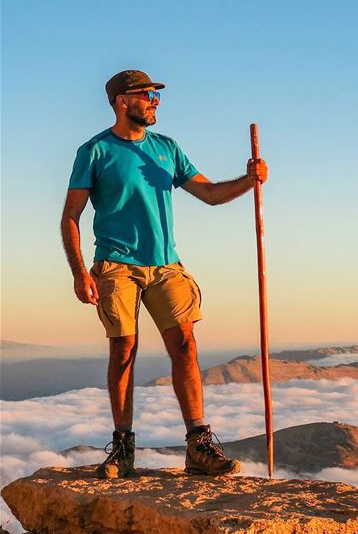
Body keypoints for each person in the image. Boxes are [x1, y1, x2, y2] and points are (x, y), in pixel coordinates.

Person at [61, 70, 268, 479]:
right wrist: (79, 272)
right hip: (116, 264)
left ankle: (199, 445)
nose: (155, 101)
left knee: (185, 345)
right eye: (147, 94)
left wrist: (249, 180)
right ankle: (122, 447)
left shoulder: (167, 149)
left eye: (156, 95)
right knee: (123, 349)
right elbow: (70, 216)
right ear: (122, 101)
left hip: (166, 265)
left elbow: (208, 194)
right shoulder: (94, 151)